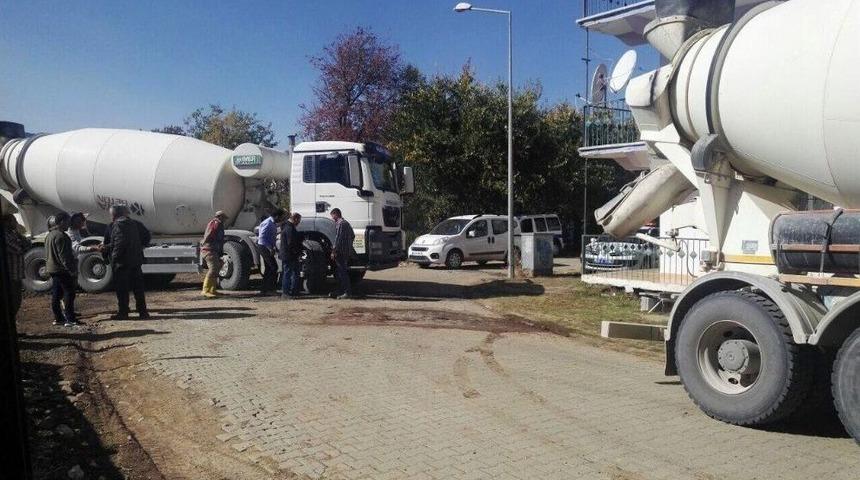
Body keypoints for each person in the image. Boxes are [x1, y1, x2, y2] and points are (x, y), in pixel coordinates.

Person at [105, 205, 150, 319]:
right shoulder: (133, 223)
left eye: (111, 215)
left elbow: (120, 243)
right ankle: (143, 312)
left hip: (122, 262)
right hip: (135, 261)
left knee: (122, 289)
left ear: (115, 215)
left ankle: (123, 312)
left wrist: (114, 258)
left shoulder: (118, 224)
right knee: (138, 288)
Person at [45, 212, 80, 326]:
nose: (69, 224)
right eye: (67, 221)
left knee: (56, 294)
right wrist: (72, 270)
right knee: (69, 293)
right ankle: (70, 319)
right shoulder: (62, 236)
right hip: (62, 270)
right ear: (61, 222)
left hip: (52, 269)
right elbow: (64, 257)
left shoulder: (50, 235)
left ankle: (59, 318)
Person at [3, 214, 30, 320]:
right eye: (13, 221)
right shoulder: (5, 236)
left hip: (17, 274)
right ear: (6, 223)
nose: (16, 223)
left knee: (17, 300)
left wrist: (19, 235)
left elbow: (28, 245)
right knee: (13, 301)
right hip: (10, 275)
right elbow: (19, 249)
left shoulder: (13, 234)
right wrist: (21, 244)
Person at [257, 208, 285, 296]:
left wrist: (273, 247)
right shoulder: (268, 223)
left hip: (268, 246)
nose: (281, 219)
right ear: (276, 216)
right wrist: (270, 248)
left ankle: (264, 289)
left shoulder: (273, 223)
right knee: (273, 267)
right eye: (281, 217)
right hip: (264, 246)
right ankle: (271, 289)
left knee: (269, 268)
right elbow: (262, 238)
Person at [201, 211, 228, 298]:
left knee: (216, 269)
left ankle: (213, 289)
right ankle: (205, 290)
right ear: (219, 217)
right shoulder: (215, 223)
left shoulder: (219, 224)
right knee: (213, 269)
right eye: (224, 217)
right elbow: (209, 234)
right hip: (209, 250)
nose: (225, 219)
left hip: (213, 250)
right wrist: (205, 243)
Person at [329, 208, 354, 299]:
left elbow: (338, 238)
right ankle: (341, 291)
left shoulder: (340, 224)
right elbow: (353, 235)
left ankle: (346, 292)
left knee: (342, 272)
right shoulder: (346, 223)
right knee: (341, 271)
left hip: (340, 252)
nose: (332, 218)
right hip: (346, 251)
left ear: (336, 214)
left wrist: (334, 251)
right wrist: (348, 245)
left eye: (332, 216)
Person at [280, 212, 303, 298]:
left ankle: (294, 291)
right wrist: (297, 252)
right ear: (295, 219)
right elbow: (291, 243)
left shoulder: (288, 226)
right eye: (299, 221)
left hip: (290, 254)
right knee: (288, 273)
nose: (299, 223)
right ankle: (285, 293)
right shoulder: (289, 228)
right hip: (289, 255)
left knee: (294, 273)